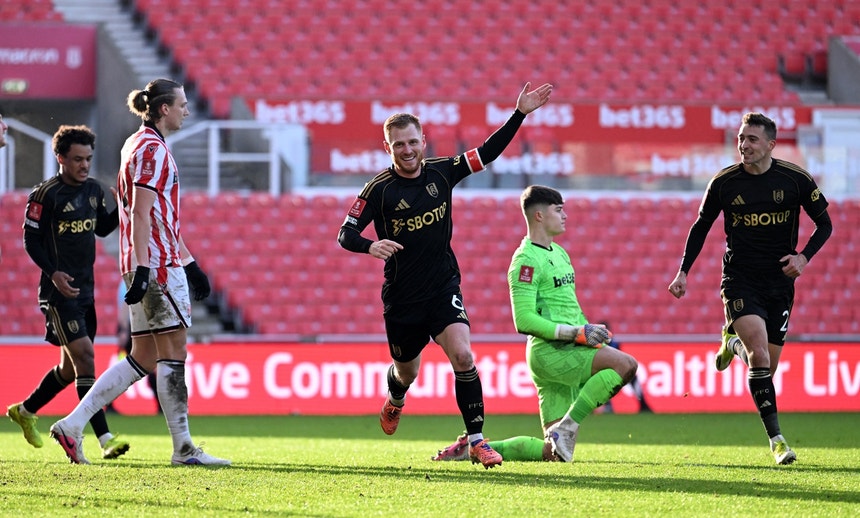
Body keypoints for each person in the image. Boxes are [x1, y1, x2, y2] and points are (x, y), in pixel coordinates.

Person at [337, 82, 553, 469]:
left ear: (424, 142)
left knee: (464, 356)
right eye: (398, 144)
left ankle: (476, 441)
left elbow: (486, 154)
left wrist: (519, 113)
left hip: (442, 287)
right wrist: (371, 246)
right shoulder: (379, 190)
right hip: (403, 297)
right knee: (407, 371)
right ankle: (396, 399)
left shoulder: (442, 173)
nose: (407, 150)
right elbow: (345, 233)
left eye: (413, 142)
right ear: (388, 148)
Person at [49, 78, 230, 466]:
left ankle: (73, 423)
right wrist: (149, 267)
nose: (186, 110)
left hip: (151, 262)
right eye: (182, 104)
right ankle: (183, 448)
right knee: (174, 352)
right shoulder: (151, 150)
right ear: (164, 108)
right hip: (157, 266)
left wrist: (191, 262)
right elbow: (142, 212)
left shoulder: (137, 144)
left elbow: (157, 215)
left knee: (144, 356)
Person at [668, 112, 832, 466]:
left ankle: (731, 342)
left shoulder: (796, 179)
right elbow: (701, 226)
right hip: (740, 279)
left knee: (766, 370)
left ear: (771, 144)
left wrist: (804, 258)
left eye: (752, 139)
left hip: (780, 283)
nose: (744, 145)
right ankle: (777, 441)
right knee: (759, 356)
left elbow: (825, 224)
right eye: (741, 138)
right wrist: (683, 272)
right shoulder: (725, 183)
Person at [434, 185, 638, 463]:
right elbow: (524, 319)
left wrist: (588, 329)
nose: (565, 215)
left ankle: (468, 451)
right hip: (550, 353)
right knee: (626, 365)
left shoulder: (560, 253)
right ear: (540, 215)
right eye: (559, 209)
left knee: (552, 454)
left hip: (569, 347)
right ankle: (567, 428)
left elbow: (566, 306)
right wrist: (577, 333)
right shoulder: (526, 260)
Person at [7, 124, 130, 462]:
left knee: (70, 369)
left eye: (88, 159)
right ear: (60, 157)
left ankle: (25, 410)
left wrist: (121, 203)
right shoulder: (45, 195)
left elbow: (102, 227)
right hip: (57, 293)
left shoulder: (92, 190)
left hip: (85, 291)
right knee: (87, 359)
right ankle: (102, 437)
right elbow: (31, 241)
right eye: (77, 159)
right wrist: (53, 273)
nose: (84, 165)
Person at [598, 321, 651, 414]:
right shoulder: (597, 344)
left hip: (616, 370)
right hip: (605, 371)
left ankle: (643, 404)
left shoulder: (613, 343)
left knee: (633, 378)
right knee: (604, 380)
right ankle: (608, 406)